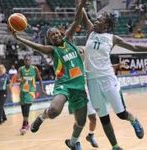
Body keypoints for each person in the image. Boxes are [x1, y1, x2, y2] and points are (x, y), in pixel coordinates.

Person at [80, 7, 147, 150]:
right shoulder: (90, 31)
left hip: (107, 78)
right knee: (104, 118)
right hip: (91, 81)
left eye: (100, 20)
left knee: (121, 114)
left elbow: (134, 47)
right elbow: (81, 12)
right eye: (96, 19)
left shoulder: (112, 38)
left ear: (106, 25)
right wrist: (80, 3)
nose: (96, 21)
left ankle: (134, 121)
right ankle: (115, 146)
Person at [9, 0, 88, 149]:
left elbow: (77, 20)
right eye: (52, 35)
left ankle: (73, 142)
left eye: (57, 32)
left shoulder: (69, 40)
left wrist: (81, 6)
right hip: (64, 85)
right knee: (54, 111)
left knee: (81, 121)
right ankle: (41, 116)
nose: (56, 35)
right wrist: (18, 38)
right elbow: (36, 46)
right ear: (49, 40)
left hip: (79, 86)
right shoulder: (52, 50)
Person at [17, 54, 45, 135]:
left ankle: (24, 125)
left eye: (28, 60)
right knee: (23, 107)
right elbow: (18, 78)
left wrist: (42, 89)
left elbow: (40, 79)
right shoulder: (20, 69)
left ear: (31, 61)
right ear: (24, 61)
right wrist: (21, 79)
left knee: (27, 106)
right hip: (23, 91)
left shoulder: (34, 68)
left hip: (31, 91)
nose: (27, 61)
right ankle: (26, 122)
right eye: (26, 60)